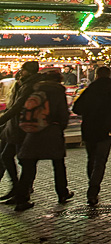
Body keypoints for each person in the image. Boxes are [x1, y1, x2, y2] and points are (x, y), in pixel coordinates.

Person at [14, 70, 72, 211]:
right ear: (59, 80)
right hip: (51, 131)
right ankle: (62, 193)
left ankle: (21, 199)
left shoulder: (35, 89)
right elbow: (63, 114)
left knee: (28, 166)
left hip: (33, 131)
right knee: (58, 164)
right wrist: (60, 128)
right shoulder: (58, 92)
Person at [72, 66, 111, 206]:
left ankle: (91, 184)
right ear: (110, 75)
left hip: (89, 128)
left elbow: (76, 108)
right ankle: (93, 190)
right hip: (107, 128)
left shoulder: (90, 89)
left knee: (91, 158)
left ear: (96, 75)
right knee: (101, 161)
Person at [0, 61, 41, 203]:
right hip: (16, 127)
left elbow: (18, 106)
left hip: (23, 127)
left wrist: (3, 119)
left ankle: (21, 191)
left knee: (24, 160)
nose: (20, 72)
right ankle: (19, 189)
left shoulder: (30, 86)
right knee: (8, 156)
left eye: (22, 70)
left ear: (28, 71)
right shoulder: (24, 83)